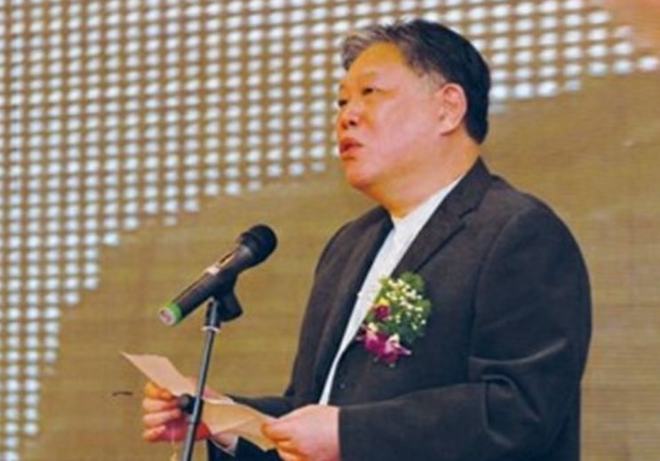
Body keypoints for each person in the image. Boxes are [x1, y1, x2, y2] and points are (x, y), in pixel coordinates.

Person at [142, 19, 591, 461]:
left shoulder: (518, 232)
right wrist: (223, 420)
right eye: (341, 101)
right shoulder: (350, 245)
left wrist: (347, 433)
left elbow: (519, 412)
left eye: (369, 93)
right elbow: (313, 408)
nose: (346, 116)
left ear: (448, 108)